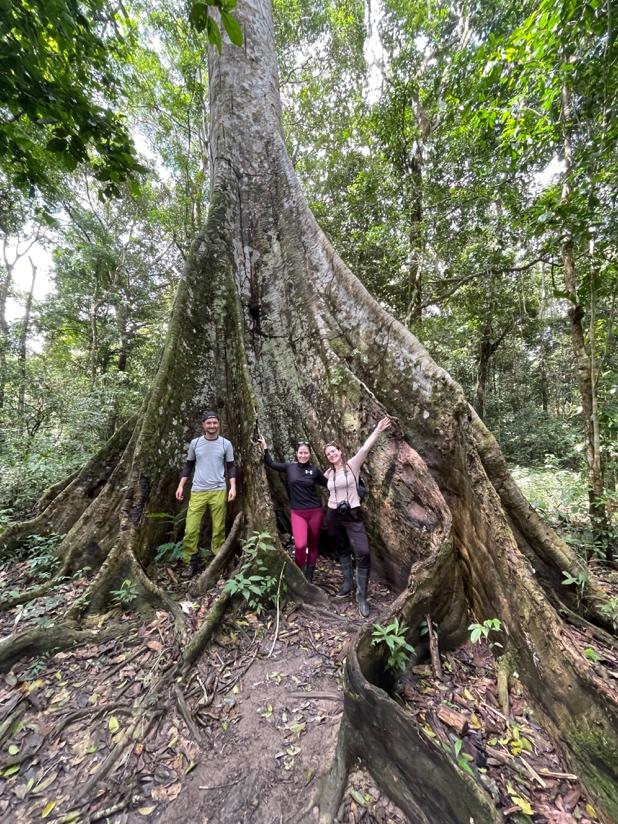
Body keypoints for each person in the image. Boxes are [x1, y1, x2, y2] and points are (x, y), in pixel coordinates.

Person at [324, 417, 391, 617]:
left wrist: (378, 430)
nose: (331, 454)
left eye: (333, 451)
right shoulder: (327, 474)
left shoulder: (352, 465)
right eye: (328, 453)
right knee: (341, 548)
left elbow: (364, 449)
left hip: (352, 514)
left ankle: (361, 595)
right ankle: (348, 583)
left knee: (363, 551)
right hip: (333, 515)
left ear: (340, 452)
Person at [176, 411, 237, 575]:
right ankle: (191, 560)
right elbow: (188, 465)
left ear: (219, 424)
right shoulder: (195, 443)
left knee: (218, 529)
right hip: (198, 491)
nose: (212, 426)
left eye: (215, 423)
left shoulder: (226, 444)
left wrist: (233, 487)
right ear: (203, 425)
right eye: (209, 423)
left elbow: (231, 467)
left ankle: (218, 559)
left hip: (218, 490)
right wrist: (181, 486)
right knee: (190, 529)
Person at [259, 436, 327, 582]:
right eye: (301, 453)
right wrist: (265, 447)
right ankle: (299, 573)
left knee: (314, 545)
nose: (303, 455)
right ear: (296, 454)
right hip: (298, 513)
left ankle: (309, 575)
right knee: (301, 545)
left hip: (315, 511)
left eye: (306, 453)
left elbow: (329, 484)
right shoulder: (290, 467)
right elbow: (270, 463)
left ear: (310, 454)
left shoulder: (314, 470)